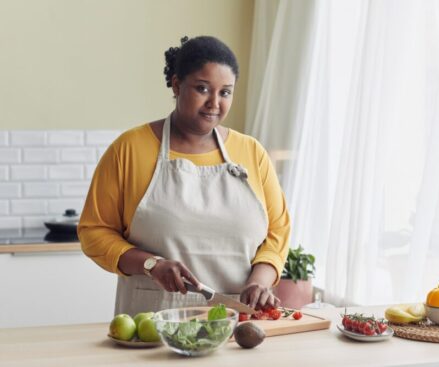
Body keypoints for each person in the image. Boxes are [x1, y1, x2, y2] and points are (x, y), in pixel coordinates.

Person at [78, 36, 290, 316]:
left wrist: (259, 282)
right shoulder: (129, 149)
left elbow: (277, 232)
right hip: (152, 320)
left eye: (225, 92)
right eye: (202, 88)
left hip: (238, 321)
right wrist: (151, 265)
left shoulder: (251, 152)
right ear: (177, 85)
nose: (214, 103)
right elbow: (94, 231)